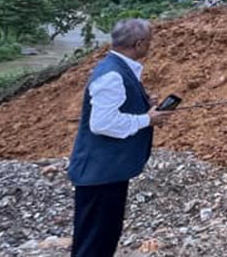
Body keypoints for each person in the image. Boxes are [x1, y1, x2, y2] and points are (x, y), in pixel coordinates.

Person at [67, 18, 172, 257]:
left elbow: (115, 111)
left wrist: (144, 107)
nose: (151, 46)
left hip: (107, 172)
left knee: (102, 239)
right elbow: (102, 123)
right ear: (139, 43)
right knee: (94, 244)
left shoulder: (118, 68)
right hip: (99, 174)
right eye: (149, 42)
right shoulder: (112, 75)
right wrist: (148, 119)